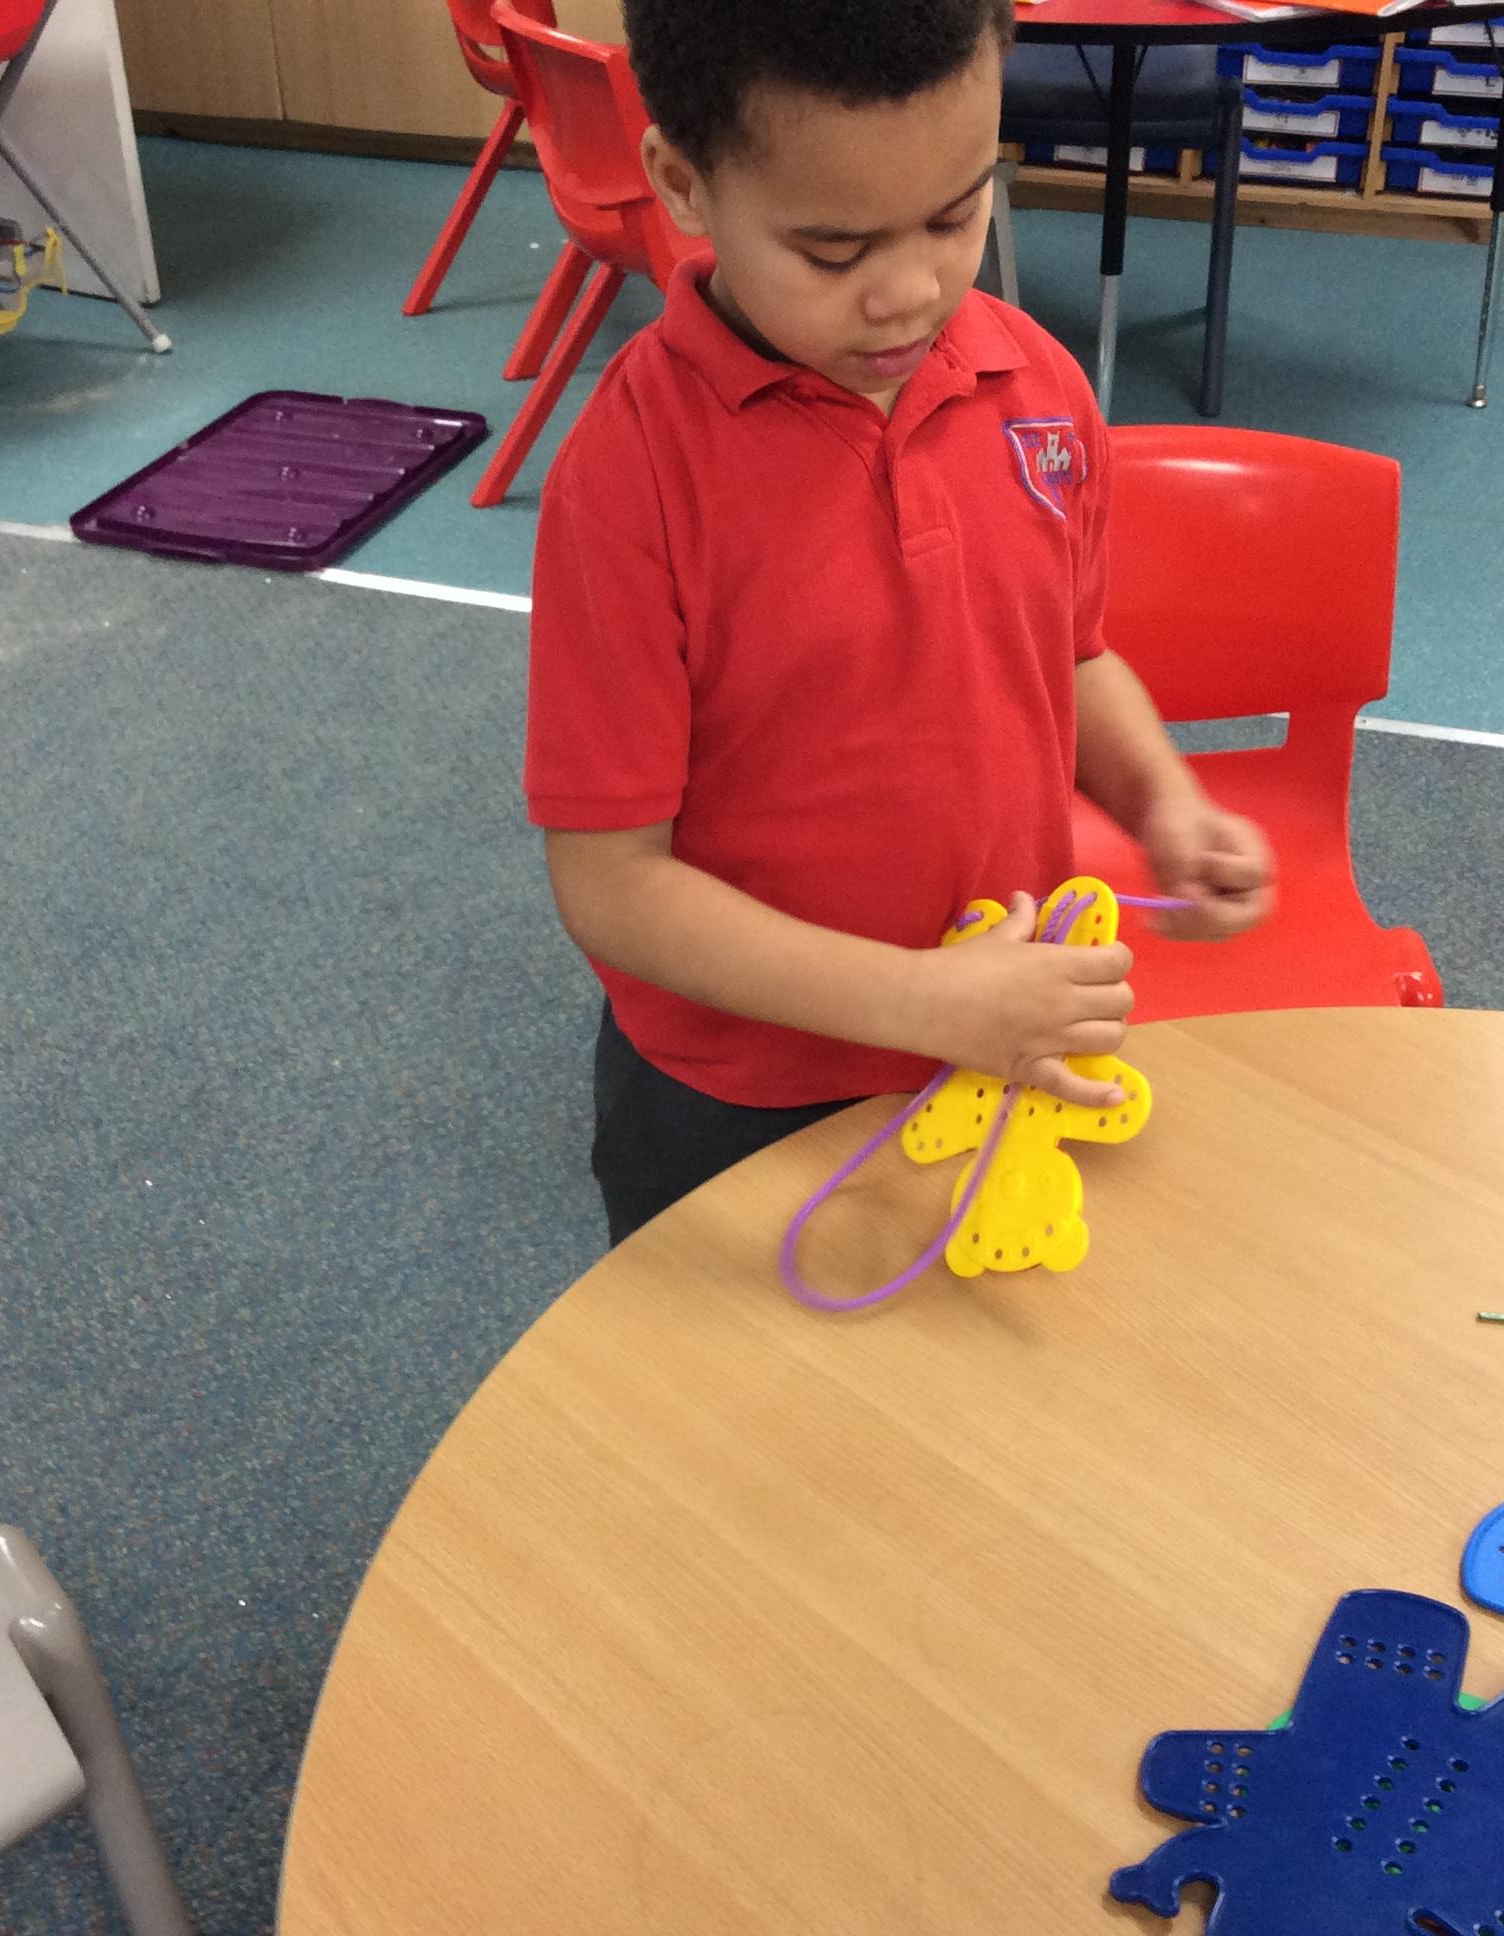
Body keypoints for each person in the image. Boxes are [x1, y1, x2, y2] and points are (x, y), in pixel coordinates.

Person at [525, 0, 1276, 1245]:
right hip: (739, 1096)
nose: (913, 292)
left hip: (996, 1041)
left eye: (955, 214)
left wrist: (1164, 804)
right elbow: (611, 884)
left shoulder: (1039, 390)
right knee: (735, 1372)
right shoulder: (630, 481)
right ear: (685, 182)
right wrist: (923, 1000)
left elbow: (1068, 656)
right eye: (834, 250)